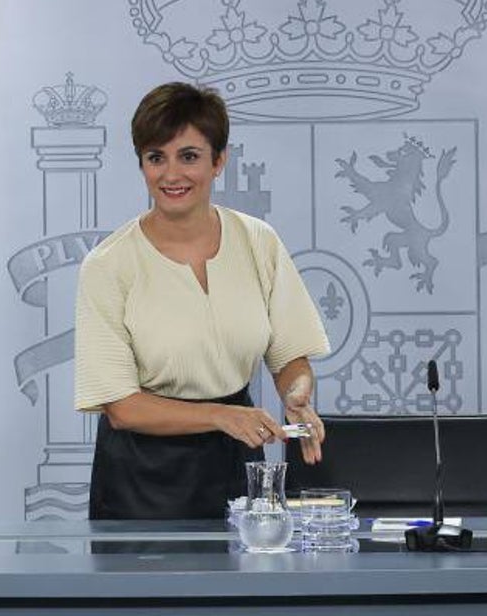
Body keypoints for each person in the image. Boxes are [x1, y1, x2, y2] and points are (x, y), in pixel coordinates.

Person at [74, 82, 331, 520]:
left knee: (241, 586)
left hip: (237, 461)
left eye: (189, 156)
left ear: (219, 161)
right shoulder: (108, 264)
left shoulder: (258, 242)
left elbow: (291, 357)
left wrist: (297, 393)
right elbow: (121, 407)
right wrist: (222, 416)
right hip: (140, 478)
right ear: (141, 165)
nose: (171, 175)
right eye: (157, 158)